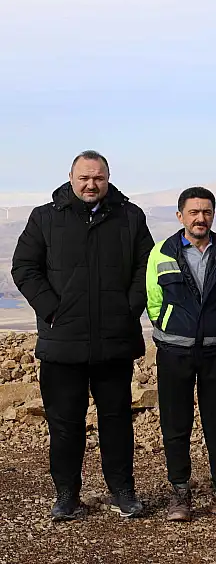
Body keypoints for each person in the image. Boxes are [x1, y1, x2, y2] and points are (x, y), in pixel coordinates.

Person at [12, 150, 154, 521]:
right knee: (64, 424)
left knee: (117, 420)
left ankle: (123, 491)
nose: (92, 185)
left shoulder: (130, 216)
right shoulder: (45, 217)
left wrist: (128, 309)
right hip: (62, 342)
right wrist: (52, 310)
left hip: (114, 340)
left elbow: (146, 266)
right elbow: (24, 267)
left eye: (99, 178)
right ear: (71, 178)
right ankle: (66, 495)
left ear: (108, 179)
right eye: (85, 178)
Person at [145, 186, 216, 521]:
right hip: (174, 350)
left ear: (213, 215)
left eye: (206, 212)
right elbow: (153, 300)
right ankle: (180, 492)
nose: (200, 218)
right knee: (175, 423)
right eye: (193, 212)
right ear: (180, 216)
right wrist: (169, 325)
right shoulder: (161, 253)